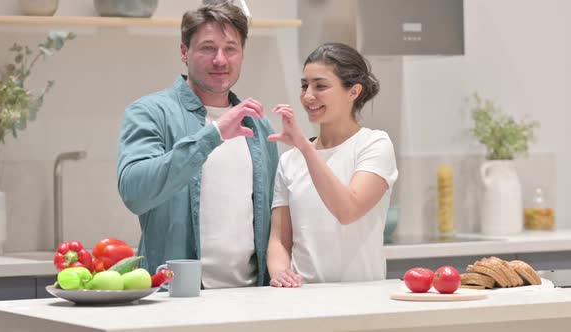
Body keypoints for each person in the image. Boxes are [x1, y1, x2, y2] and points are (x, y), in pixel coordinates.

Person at [117, 2, 278, 288]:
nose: (220, 59)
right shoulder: (150, 112)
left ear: (242, 54)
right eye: (207, 48)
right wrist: (212, 134)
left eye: (230, 49)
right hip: (175, 294)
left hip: (253, 296)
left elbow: (275, 216)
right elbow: (135, 193)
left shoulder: (257, 123)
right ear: (184, 52)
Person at [267, 42, 398, 287]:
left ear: (353, 92)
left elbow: (348, 210)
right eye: (304, 85)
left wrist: (305, 147)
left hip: (363, 302)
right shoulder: (290, 160)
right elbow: (279, 240)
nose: (308, 96)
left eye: (321, 86)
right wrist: (280, 274)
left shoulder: (374, 144)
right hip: (302, 302)